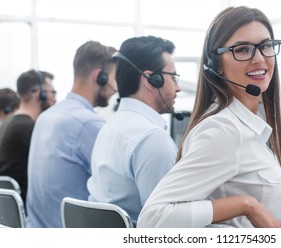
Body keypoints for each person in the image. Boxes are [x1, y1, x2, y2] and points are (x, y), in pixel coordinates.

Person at [137, 6, 281, 228]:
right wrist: (246, 205)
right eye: (242, 49)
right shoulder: (223, 129)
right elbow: (152, 219)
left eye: (266, 46)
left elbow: (236, 193)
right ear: (216, 65)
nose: (259, 58)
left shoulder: (246, 123)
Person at [87, 36, 181, 227]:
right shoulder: (152, 139)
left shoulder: (109, 128)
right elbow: (167, 225)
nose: (178, 88)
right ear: (151, 80)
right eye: (173, 78)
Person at [26, 41, 118, 227]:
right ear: (99, 77)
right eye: (115, 79)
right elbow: (118, 188)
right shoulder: (89, 123)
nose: (116, 88)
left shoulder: (45, 116)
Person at [0, 70, 56, 203]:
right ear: (39, 94)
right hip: (30, 208)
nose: (55, 99)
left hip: (12, 210)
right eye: (52, 92)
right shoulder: (28, 128)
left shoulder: (8, 123)